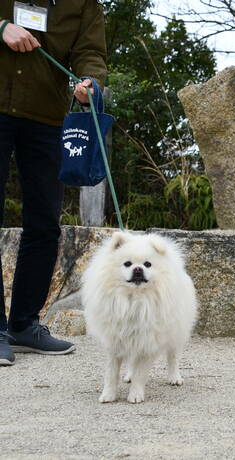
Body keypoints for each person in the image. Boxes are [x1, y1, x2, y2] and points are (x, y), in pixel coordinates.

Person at [0, 0, 107, 366]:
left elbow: (91, 51)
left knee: (45, 222)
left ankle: (24, 325)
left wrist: (91, 83)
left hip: (47, 117)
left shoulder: (85, 4)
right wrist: (1, 26)